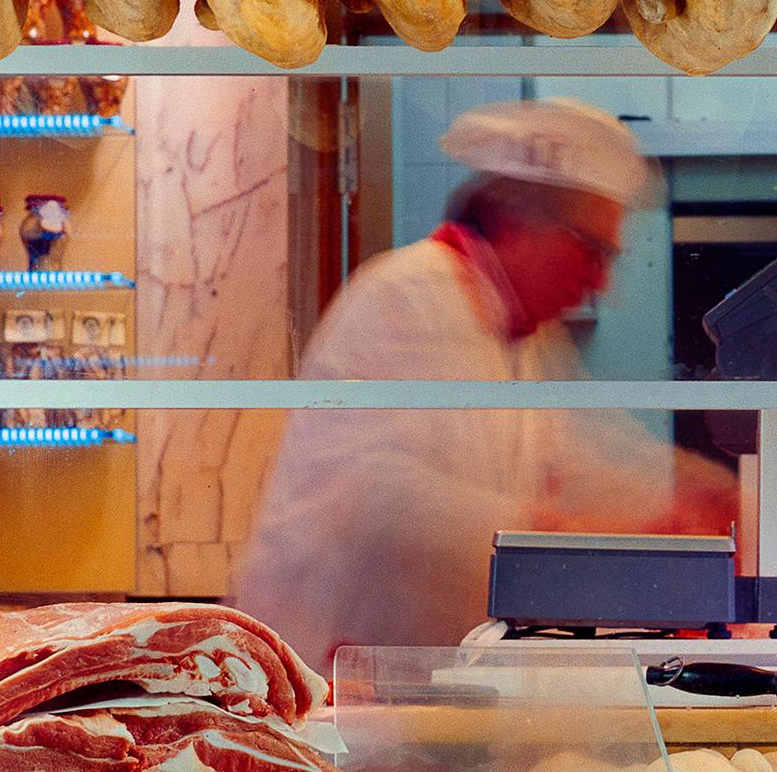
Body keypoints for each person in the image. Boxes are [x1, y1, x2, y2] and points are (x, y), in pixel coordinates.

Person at [232, 97, 736, 669]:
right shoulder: (404, 295)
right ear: (520, 224)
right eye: (593, 250)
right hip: (330, 665)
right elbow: (379, 497)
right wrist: (555, 531)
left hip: (423, 676)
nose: (602, 282)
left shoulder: (524, 332)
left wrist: (693, 496)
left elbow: (582, 458)